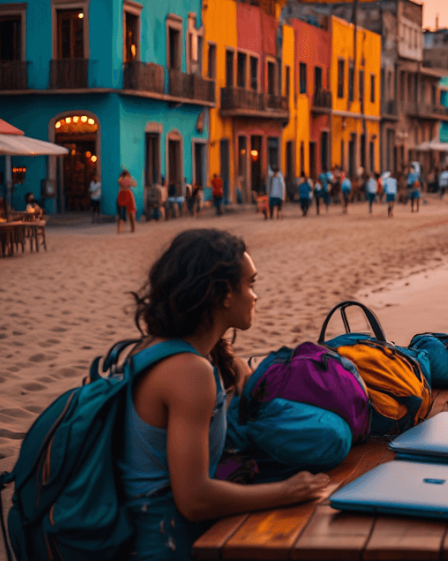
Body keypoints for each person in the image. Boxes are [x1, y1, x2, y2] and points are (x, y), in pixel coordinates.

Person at [122, 229, 330, 560]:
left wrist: (236, 364)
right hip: (166, 544)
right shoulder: (191, 373)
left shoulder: (160, 349)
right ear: (224, 294)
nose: (255, 296)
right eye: (250, 284)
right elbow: (194, 500)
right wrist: (286, 491)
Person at [117, 170, 138, 234]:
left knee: (121, 213)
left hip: (122, 194)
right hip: (128, 194)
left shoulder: (121, 179)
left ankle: (120, 228)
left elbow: (119, 182)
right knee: (130, 211)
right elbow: (135, 184)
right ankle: (133, 227)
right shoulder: (130, 179)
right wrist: (129, 183)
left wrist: (122, 178)